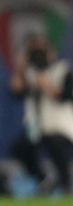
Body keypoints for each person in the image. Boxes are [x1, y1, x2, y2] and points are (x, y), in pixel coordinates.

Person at [10, 35, 73, 195]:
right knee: (19, 149)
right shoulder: (30, 72)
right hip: (36, 126)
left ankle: (65, 184)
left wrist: (45, 84)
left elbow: (65, 96)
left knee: (56, 146)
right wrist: (21, 65)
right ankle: (43, 178)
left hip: (59, 125)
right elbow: (16, 90)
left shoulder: (62, 69)